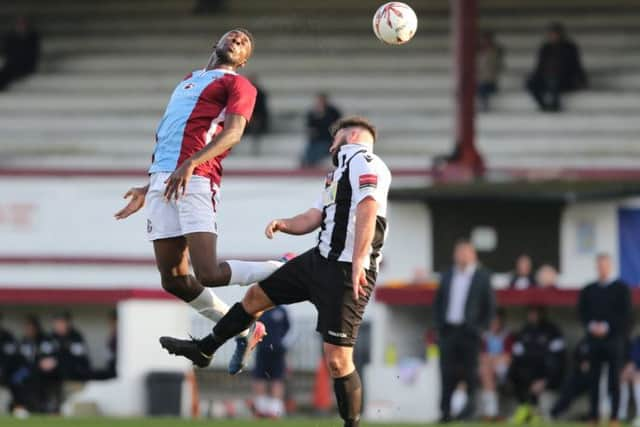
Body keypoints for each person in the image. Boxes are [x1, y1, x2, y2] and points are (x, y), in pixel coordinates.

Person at [159, 116, 391, 427]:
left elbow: (369, 206)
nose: (331, 145)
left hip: (346, 272)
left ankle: (352, 424)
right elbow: (314, 216)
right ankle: (204, 349)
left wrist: (361, 259)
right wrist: (285, 224)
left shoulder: (365, 160)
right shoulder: (338, 173)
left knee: (337, 360)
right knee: (255, 297)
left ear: (348, 135)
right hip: (318, 261)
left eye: (334, 139)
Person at [114, 29, 288, 375]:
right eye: (233, 35)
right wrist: (148, 185)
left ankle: (283, 268)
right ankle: (243, 327)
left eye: (245, 42)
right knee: (174, 279)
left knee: (207, 272)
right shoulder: (189, 80)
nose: (238, 38)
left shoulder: (239, 85)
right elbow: (170, 134)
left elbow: (234, 132)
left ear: (244, 59)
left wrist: (192, 162)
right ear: (216, 44)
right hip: (165, 180)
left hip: (197, 177)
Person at [433, 240, 495, 422]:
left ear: (473, 255)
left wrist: (481, 329)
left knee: (471, 374)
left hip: (470, 333)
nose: (461, 256)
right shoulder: (447, 275)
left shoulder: (482, 277)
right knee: (446, 373)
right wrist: (439, 326)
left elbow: (490, 307)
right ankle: (445, 412)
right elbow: (438, 303)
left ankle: (469, 411)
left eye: (465, 253)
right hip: (449, 331)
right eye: (459, 253)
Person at [579, 253, 631, 425]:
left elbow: (625, 315)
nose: (602, 268)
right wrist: (592, 326)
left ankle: (614, 417)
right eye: (599, 265)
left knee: (614, 380)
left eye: (605, 265)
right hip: (594, 341)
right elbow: (582, 313)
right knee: (593, 379)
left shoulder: (621, 289)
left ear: (610, 266)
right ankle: (593, 415)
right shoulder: (589, 289)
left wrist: (608, 327)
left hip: (614, 340)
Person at [509, 306, 566, 425]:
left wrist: (545, 380)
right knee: (513, 371)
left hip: (546, 374)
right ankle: (526, 408)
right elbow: (517, 354)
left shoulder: (552, 330)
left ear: (542, 313)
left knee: (552, 364)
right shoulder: (525, 330)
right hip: (528, 375)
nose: (533, 316)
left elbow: (559, 360)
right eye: (531, 313)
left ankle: (536, 412)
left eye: (536, 313)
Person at [526, 22, 587, 112]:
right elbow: (539, 67)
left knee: (554, 81)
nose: (553, 36)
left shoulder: (569, 48)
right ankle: (543, 105)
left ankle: (555, 105)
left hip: (565, 78)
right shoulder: (545, 48)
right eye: (551, 34)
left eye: (555, 34)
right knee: (531, 84)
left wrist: (581, 79)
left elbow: (576, 66)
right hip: (545, 77)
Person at [252, 305, 291, 418]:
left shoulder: (282, 310)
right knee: (259, 377)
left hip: (278, 350)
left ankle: (275, 410)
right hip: (262, 349)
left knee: (277, 378)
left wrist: (283, 345)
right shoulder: (259, 310)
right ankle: (261, 409)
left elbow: (289, 329)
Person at [17, 315, 61, 413]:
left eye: (31, 328)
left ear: (36, 328)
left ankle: (40, 406)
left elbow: (51, 359)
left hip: (43, 373)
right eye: (27, 328)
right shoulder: (24, 341)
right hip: (26, 371)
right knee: (15, 379)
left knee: (37, 379)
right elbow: (18, 359)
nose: (29, 330)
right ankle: (19, 406)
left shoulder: (45, 340)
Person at [479, 308, 514, 420]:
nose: (495, 325)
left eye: (497, 322)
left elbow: (508, 357)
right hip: (489, 368)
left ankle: (491, 413)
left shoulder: (507, 335)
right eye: (492, 322)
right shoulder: (485, 335)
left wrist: (493, 359)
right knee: (486, 372)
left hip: (504, 368)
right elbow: (481, 356)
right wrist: (492, 359)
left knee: (488, 371)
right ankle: (492, 413)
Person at [550, 336, 592, 419]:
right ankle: (554, 413)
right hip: (583, 376)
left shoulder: (611, 341)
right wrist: (581, 364)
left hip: (602, 376)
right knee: (569, 386)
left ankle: (595, 415)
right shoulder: (585, 342)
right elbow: (576, 357)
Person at [301, 93, 342, 168]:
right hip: (315, 140)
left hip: (328, 140)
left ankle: (311, 166)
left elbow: (336, 125)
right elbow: (310, 126)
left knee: (319, 150)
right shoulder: (312, 112)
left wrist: (323, 116)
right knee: (307, 154)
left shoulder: (333, 111)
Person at [0, 16, 40, 91]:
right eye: (19, 24)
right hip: (12, 64)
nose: (21, 26)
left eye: (22, 24)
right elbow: (6, 51)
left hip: (25, 65)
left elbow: (33, 53)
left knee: (8, 72)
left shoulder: (32, 36)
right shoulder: (11, 36)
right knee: (5, 72)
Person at [51, 312, 91, 381]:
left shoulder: (76, 336)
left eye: (61, 322)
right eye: (56, 323)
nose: (59, 325)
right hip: (56, 373)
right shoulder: (52, 337)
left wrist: (58, 361)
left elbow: (79, 357)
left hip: (75, 373)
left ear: (68, 323)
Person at [476, 31, 503, 112]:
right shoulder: (479, 52)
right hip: (480, 79)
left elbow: (496, 67)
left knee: (483, 87)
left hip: (489, 80)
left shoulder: (495, 52)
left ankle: (484, 105)